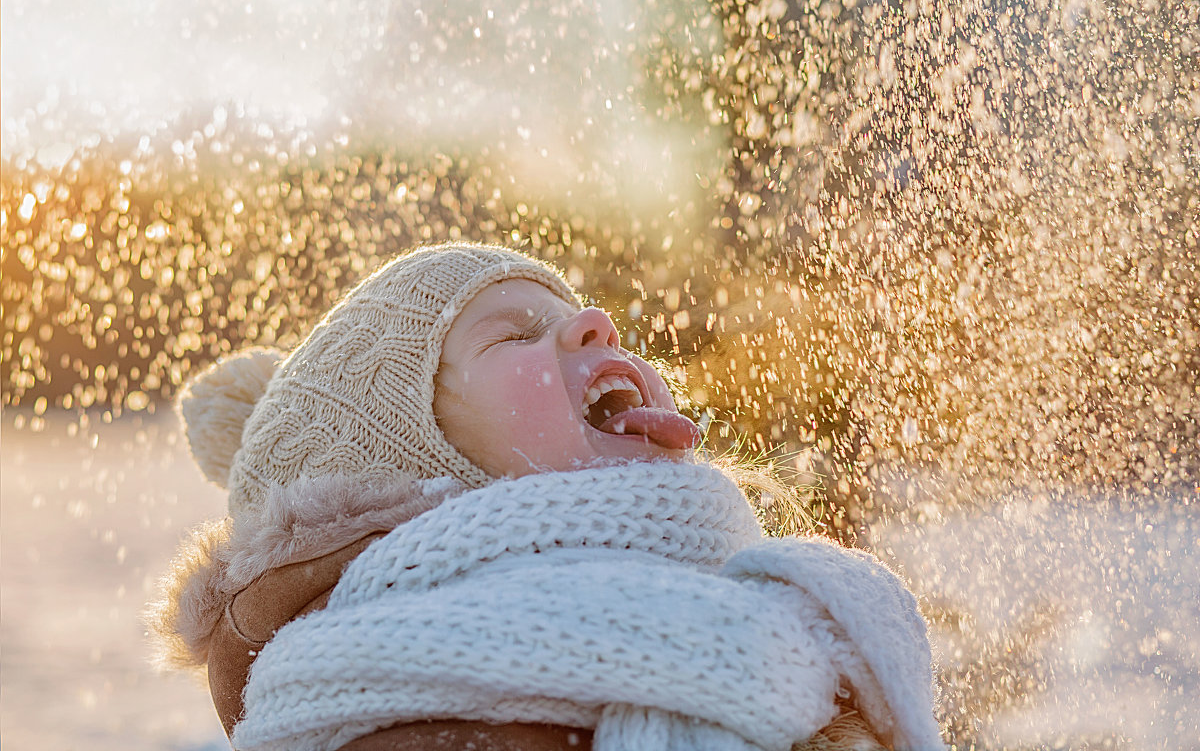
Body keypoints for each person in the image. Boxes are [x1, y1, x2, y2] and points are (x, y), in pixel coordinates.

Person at [148, 243, 943, 751]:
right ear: (414, 463)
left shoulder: (776, 625)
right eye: (515, 334)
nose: (598, 324)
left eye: (584, 319)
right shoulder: (384, 701)